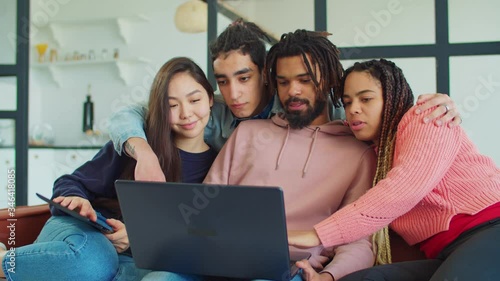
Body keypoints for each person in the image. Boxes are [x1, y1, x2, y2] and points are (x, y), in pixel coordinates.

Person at [106, 19, 461, 183]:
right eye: (223, 82)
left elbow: (381, 106)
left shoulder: (310, 108)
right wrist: (145, 153)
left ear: (264, 75)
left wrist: (438, 105)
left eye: (244, 78)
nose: (233, 94)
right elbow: (130, 114)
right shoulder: (209, 111)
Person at [0, 57, 218, 281]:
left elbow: (201, 240)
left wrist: (138, 238)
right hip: (85, 234)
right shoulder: (135, 144)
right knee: (95, 263)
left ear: (210, 98)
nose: (186, 113)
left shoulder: (221, 165)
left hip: (137, 260)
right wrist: (76, 198)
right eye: (172, 105)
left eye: (194, 100)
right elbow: (69, 182)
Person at [287, 59, 500, 281]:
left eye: (366, 99)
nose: (354, 109)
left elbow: (404, 188)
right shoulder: (376, 152)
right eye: (347, 103)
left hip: (489, 228)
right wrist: (327, 276)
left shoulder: (426, 119)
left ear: (392, 98)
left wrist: (317, 235)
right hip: (445, 252)